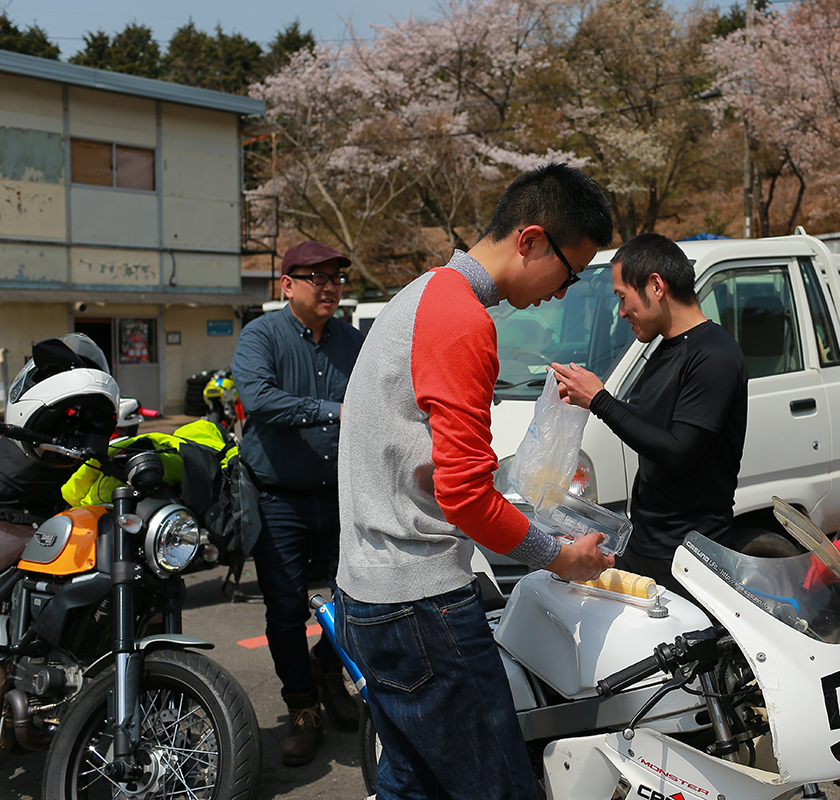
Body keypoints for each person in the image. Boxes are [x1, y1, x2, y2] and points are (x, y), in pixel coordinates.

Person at [336, 163, 615, 800]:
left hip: (368, 590)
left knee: (413, 786)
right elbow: (464, 496)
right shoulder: (461, 318)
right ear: (531, 240)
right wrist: (560, 556)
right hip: (420, 604)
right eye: (569, 273)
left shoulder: (420, 295)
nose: (562, 292)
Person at [551, 232, 748, 600]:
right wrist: (588, 398)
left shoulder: (715, 355)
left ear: (656, 286)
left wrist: (600, 401)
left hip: (691, 557)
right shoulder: (666, 348)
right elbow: (653, 422)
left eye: (622, 297)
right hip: (646, 544)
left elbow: (678, 449)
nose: (622, 312)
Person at [231, 240, 365, 766]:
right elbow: (259, 399)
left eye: (336, 278)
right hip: (278, 500)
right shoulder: (261, 335)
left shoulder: (353, 341)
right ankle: (302, 706)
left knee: (358, 597)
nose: (330, 287)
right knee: (285, 609)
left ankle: (327, 667)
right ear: (287, 285)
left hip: (341, 495)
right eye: (317, 277)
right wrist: (333, 410)